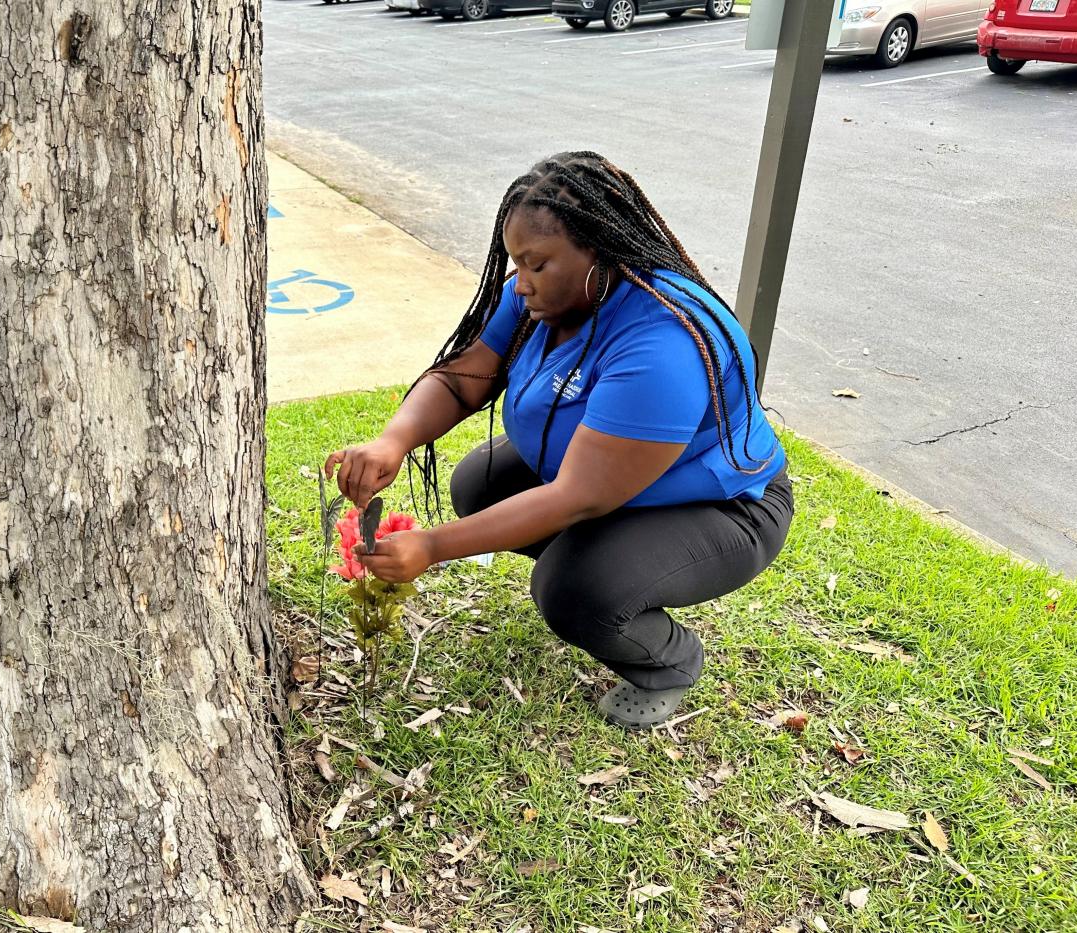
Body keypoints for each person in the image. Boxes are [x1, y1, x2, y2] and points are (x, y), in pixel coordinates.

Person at [325, 151, 794, 729]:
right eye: (516, 263)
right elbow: (461, 377)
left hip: (723, 508)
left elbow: (579, 496)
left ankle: (665, 657)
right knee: (483, 483)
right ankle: (607, 567)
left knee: (576, 589)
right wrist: (391, 441)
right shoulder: (540, 298)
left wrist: (432, 546)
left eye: (537, 263)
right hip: (615, 484)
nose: (519, 282)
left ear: (598, 248)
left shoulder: (663, 343)